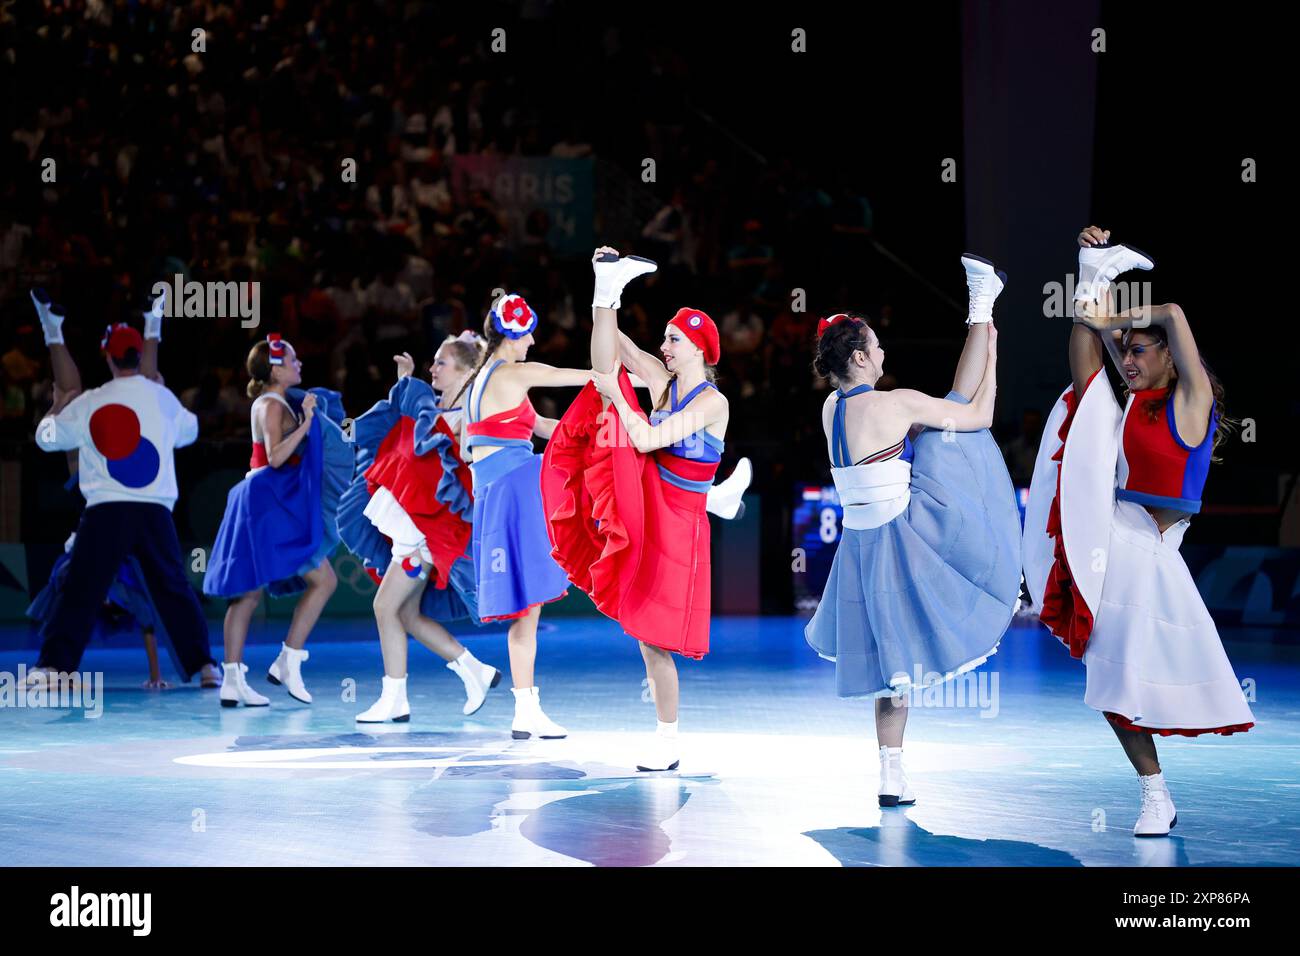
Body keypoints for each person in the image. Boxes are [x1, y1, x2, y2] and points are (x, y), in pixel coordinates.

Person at [1023, 225, 1255, 836]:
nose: (1127, 360)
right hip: (1112, 536)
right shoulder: (1123, 406)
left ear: (1170, 357)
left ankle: (1157, 794)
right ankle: (1155, 794)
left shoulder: (1191, 401)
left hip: (1155, 551)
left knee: (1137, 680)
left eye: (1138, 351)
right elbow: (1084, 362)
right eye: (1123, 351)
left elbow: (1174, 312)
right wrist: (1093, 286)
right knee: (1109, 682)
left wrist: (1111, 314)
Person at [803, 255, 1021, 807]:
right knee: (955, 422)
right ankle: (982, 307)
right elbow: (981, 416)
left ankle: (890, 774)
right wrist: (992, 354)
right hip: (908, 534)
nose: (883, 353)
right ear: (859, 357)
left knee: (889, 672)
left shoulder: (831, 407)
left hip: (859, 550)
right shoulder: (894, 403)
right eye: (875, 347)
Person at [542, 248, 735, 772]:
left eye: (674, 339)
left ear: (698, 347)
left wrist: (620, 400)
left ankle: (668, 740)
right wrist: (606, 301)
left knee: (654, 638)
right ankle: (608, 280)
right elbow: (613, 348)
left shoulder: (711, 402)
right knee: (607, 379)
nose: (663, 345)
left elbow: (649, 438)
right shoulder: (663, 380)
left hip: (679, 520)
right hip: (651, 500)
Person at [29, 298, 216, 690]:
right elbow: (192, 431)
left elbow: (46, 441)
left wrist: (55, 412)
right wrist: (163, 396)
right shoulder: (161, 398)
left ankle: (52, 669)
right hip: (153, 511)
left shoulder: (91, 400)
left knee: (81, 588)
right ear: (137, 357)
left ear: (108, 358)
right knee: (174, 588)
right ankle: (204, 667)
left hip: (105, 511)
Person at [337, 334, 505, 723]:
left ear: (465, 371)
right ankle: (475, 672)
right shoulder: (433, 408)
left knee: (384, 606)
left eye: (441, 362)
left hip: (425, 537)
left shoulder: (468, 416)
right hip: (415, 529)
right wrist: (405, 379)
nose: (434, 369)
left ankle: (395, 699)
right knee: (406, 614)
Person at [451, 294, 591, 740]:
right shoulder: (514, 373)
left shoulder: (477, 383)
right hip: (516, 487)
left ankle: (525, 710)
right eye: (528, 333)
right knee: (595, 483)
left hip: (494, 496)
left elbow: (534, 430)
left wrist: (583, 432)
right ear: (511, 335)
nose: (532, 341)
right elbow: (581, 376)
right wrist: (638, 383)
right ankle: (697, 498)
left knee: (525, 611)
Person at [202, 335, 351, 707]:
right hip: (264, 502)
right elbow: (275, 457)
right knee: (313, 581)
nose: (299, 363)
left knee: (251, 594)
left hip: (265, 500)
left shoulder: (276, 401)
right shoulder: (270, 404)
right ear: (275, 369)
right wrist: (308, 423)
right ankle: (283, 661)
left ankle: (240, 677)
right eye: (293, 360)